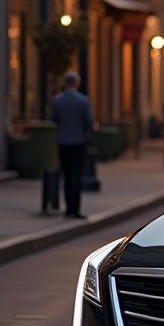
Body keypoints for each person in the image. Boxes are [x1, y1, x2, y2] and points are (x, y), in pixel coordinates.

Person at [50, 71, 94, 219]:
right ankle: (75, 208)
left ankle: (68, 208)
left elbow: (53, 119)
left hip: (63, 142)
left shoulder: (57, 100)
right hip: (78, 143)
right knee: (77, 175)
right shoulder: (83, 101)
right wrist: (86, 136)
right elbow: (89, 122)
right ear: (76, 83)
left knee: (67, 175)